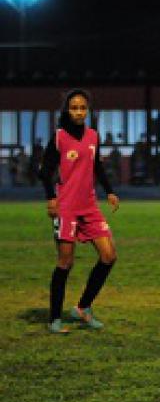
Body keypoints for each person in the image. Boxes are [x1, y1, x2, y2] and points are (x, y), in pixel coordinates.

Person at [39, 88, 120, 334]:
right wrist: (51, 198)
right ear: (67, 110)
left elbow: (97, 167)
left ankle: (83, 308)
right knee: (66, 262)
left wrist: (110, 191)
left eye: (83, 108)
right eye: (74, 108)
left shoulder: (93, 136)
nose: (79, 112)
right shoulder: (59, 137)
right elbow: (44, 171)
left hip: (89, 205)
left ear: (88, 110)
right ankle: (55, 318)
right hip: (66, 207)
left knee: (109, 256)